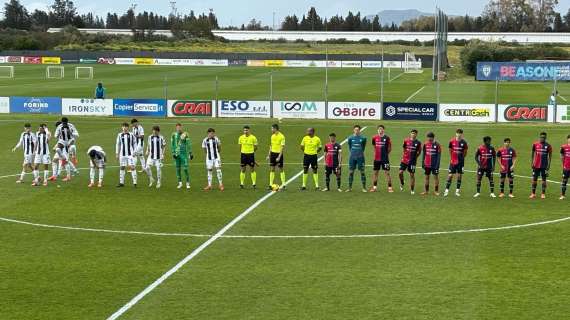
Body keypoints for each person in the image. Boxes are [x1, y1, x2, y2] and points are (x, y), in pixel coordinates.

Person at [444, 129, 468, 197]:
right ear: (456, 134)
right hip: (453, 161)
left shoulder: (464, 142)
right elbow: (450, 150)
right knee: (450, 175)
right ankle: (446, 190)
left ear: (462, 134)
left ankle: (457, 191)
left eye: (460, 133)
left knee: (459, 176)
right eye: (458, 133)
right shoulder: (452, 141)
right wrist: (452, 158)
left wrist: (462, 158)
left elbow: (465, 151)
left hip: (461, 162)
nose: (459, 134)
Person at [399, 129, 422, 195]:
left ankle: (412, 190)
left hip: (412, 161)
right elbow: (404, 148)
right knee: (400, 172)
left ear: (416, 134)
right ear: (410, 134)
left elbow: (419, 151)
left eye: (414, 133)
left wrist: (415, 158)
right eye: (412, 133)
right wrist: (405, 155)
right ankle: (402, 182)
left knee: (412, 175)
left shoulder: (418, 142)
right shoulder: (406, 140)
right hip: (404, 160)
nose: (413, 134)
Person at [370, 124, 393, 192]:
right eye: (379, 129)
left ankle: (390, 187)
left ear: (383, 130)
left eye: (381, 129)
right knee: (375, 173)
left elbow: (390, 148)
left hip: (385, 159)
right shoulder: (374, 137)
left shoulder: (387, 138)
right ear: (377, 130)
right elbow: (374, 146)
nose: (380, 130)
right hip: (376, 159)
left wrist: (386, 154)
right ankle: (374, 187)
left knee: (387, 173)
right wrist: (376, 153)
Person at [530, 132, 552, 199]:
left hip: (544, 166)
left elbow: (550, 156)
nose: (542, 138)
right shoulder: (535, 144)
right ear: (539, 137)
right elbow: (532, 153)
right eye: (541, 137)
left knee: (544, 180)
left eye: (544, 137)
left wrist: (549, 165)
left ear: (545, 138)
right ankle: (533, 193)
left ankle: (543, 194)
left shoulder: (548, 146)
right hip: (536, 165)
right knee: (534, 180)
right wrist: (532, 162)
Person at [346, 125, 367, 193]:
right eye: (355, 130)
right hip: (352, 157)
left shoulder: (363, 138)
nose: (356, 131)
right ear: (353, 130)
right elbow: (350, 147)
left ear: (359, 130)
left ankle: (364, 188)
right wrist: (353, 153)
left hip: (360, 157)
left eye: (358, 130)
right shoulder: (350, 138)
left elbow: (363, 147)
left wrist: (359, 153)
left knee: (362, 172)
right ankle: (349, 188)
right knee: (351, 172)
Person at [116, 122, 137, 188]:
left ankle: (135, 183)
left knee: (132, 167)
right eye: (123, 126)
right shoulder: (119, 135)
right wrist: (117, 153)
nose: (124, 128)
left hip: (130, 154)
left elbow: (135, 143)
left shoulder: (131, 134)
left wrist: (135, 152)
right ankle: (121, 183)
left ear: (128, 127)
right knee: (122, 167)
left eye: (126, 126)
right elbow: (118, 144)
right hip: (122, 154)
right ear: (122, 127)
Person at [171, 123, 192, 189]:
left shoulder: (185, 134)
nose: (179, 129)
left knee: (185, 169)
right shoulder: (173, 135)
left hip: (184, 154)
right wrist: (173, 153)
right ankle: (180, 183)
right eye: (177, 127)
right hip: (176, 155)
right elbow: (172, 144)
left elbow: (188, 144)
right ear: (176, 128)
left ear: (181, 127)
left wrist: (190, 152)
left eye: (180, 127)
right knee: (178, 169)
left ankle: (187, 183)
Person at [267, 124, 286, 190]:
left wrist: (279, 157)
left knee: (281, 169)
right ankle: (270, 184)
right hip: (272, 154)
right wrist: (269, 155)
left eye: (272, 129)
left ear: (275, 129)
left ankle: (283, 184)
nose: (271, 130)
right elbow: (271, 146)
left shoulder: (282, 136)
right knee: (272, 169)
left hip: (278, 154)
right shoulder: (272, 136)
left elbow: (282, 148)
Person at [560, 135, 570, 200]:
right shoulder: (564, 147)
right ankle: (563, 195)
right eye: (569, 139)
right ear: (567, 139)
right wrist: (563, 164)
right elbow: (562, 155)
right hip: (566, 167)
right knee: (564, 181)